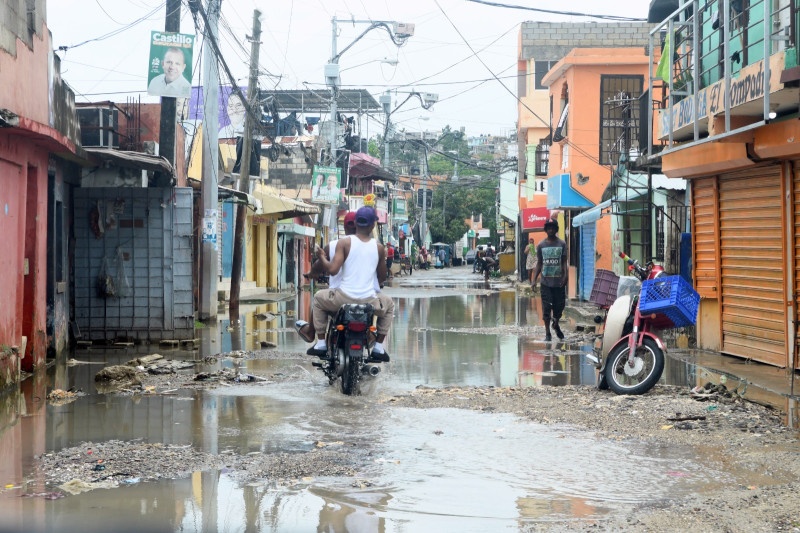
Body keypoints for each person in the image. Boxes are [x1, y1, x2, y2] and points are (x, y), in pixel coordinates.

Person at [306, 206, 395, 362]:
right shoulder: (379, 248)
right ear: (373, 225)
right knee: (389, 305)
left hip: (343, 299)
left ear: (355, 222)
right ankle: (379, 348)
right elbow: (381, 277)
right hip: (369, 301)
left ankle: (320, 343)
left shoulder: (344, 243)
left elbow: (333, 270)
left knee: (319, 298)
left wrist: (321, 257)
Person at [295, 211, 358, 343]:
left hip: (339, 297)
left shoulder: (335, 245)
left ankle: (314, 335)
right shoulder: (373, 246)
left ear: (345, 227)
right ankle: (372, 339)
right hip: (363, 299)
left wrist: (312, 273)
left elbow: (322, 266)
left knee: (318, 299)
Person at [531, 220, 568, 341]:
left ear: (556, 229)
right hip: (545, 283)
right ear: (546, 230)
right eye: (549, 228)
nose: (551, 230)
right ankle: (547, 333)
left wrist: (565, 275)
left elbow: (563, 262)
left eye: (553, 228)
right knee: (546, 308)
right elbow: (539, 263)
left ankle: (556, 324)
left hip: (559, 283)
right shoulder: (541, 245)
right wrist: (533, 280)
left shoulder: (562, 244)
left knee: (559, 307)